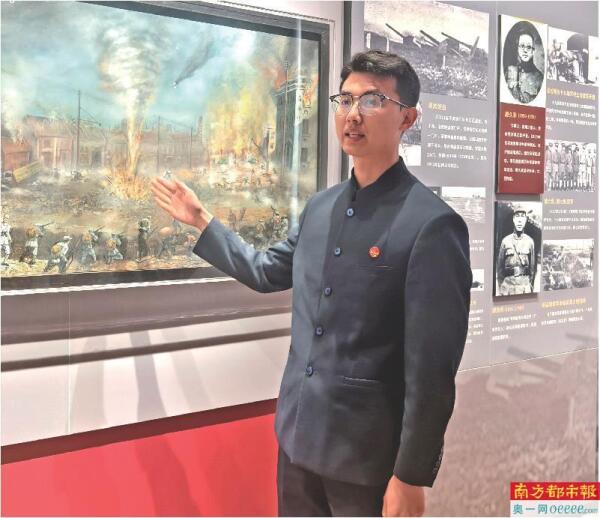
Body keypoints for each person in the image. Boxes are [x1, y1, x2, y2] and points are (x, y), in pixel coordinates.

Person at [151, 50, 471, 517]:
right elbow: (266, 271)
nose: (353, 114)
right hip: (297, 441)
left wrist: (410, 475)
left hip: (367, 461)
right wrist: (203, 221)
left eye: (373, 101)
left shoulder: (432, 225)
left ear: (407, 118)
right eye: (345, 100)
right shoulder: (321, 208)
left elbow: (433, 371)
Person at [496, 205, 536, 295]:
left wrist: (529, 287)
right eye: (517, 216)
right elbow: (500, 269)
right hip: (508, 287)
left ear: (525, 220)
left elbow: (532, 270)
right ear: (513, 219)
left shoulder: (530, 242)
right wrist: (502, 287)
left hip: (524, 288)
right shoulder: (505, 241)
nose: (519, 220)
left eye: (522, 217)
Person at [506, 29, 544, 104]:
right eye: (522, 46)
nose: (525, 50)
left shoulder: (539, 79)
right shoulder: (508, 71)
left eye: (529, 47)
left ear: (533, 51)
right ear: (517, 49)